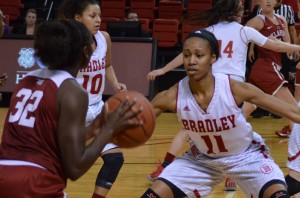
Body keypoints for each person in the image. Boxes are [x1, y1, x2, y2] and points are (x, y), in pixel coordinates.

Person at [147, 0, 300, 191]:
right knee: (235, 132)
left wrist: (164, 69)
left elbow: (186, 53)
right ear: (237, 11)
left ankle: (167, 166)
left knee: (190, 130)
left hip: (207, 86)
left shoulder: (208, 31)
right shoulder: (243, 30)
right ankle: (234, 175)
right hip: (231, 90)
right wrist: (298, 48)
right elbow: (275, 47)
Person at [0, 20, 142, 198]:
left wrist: (97, 126)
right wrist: (108, 130)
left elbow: (55, 142)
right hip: (36, 183)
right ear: (85, 52)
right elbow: (74, 168)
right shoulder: (71, 90)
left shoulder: (25, 81)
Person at [58, 1, 128, 197]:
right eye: (93, 16)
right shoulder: (66, 43)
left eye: (99, 15)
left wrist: (115, 84)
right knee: (62, 162)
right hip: (72, 113)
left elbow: (107, 65)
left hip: (97, 108)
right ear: (78, 18)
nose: (98, 20)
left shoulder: (104, 37)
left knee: (115, 159)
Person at [245, 0, 298, 138]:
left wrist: (291, 51)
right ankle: (297, 144)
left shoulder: (281, 19)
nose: (268, 1)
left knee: (245, 109)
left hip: (270, 68)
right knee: (293, 108)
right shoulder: (257, 20)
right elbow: (240, 36)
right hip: (266, 67)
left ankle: (220, 132)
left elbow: (287, 45)